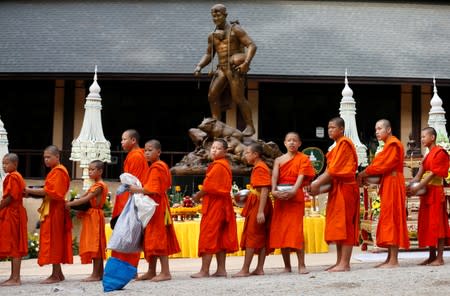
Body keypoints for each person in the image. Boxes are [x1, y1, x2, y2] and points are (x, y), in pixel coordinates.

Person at [194, 4, 257, 137]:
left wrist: (246, 63)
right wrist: (199, 66)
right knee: (212, 95)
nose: (216, 18)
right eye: (214, 16)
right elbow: (208, 54)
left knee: (238, 97)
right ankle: (216, 123)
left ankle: (250, 126)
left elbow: (251, 45)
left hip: (234, 68)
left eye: (219, 15)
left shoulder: (236, 30)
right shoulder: (212, 36)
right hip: (221, 68)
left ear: (225, 15)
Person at [357, 119, 410, 268]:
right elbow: (378, 166)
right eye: (376, 129)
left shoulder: (394, 144)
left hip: (393, 183)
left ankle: (394, 260)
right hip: (388, 182)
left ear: (389, 129)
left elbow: (381, 166)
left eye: (380, 128)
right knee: (387, 218)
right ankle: (389, 258)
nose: (377, 132)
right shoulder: (387, 146)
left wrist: (363, 174)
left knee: (393, 218)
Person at [309, 117, 359, 272]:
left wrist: (317, 183)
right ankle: (339, 261)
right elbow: (329, 171)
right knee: (338, 227)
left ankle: (345, 263)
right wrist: (319, 188)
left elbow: (334, 171)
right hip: (337, 189)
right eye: (328, 127)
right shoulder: (335, 148)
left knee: (347, 226)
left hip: (347, 189)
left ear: (341, 129)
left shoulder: (345, 144)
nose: (330, 130)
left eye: (333, 127)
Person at [128, 139, 180, 282]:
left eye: (150, 150)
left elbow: (152, 189)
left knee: (159, 238)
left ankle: (166, 272)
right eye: (146, 150)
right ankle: (151, 271)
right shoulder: (156, 167)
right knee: (151, 237)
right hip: (153, 206)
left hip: (158, 207)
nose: (147, 153)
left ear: (159, 152)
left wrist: (135, 189)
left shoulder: (158, 167)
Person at [191, 138, 238, 278]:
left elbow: (208, 186)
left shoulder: (219, 166)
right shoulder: (223, 165)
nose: (214, 150)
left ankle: (204, 270)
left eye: (218, 148)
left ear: (225, 151)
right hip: (223, 204)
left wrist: (197, 196)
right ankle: (221, 270)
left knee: (209, 235)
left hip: (216, 205)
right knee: (219, 236)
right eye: (213, 148)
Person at [25, 145, 72, 283]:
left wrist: (29, 190)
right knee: (52, 240)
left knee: (54, 240)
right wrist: (31, 192)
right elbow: (48, 190)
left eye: (48, 157)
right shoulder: (54, 171)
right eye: (44, 157)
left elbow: (51, 192)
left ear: (57, 157)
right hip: (52, 208)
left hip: (56, 210)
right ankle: (59, 273)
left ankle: (55, 275)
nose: (46, 160)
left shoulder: (59, 171)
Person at [270, 132, 315, 274]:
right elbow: (275, 176)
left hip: (295, 197)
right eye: (289, 140)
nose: (292, 143)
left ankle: (302, 265)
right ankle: (287, 266)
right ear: (284, 143)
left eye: (295, 140)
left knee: (296, 231)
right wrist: (273, 191)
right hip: (281, 198)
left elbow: (301, 176)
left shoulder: (303, 158)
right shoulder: (278, 160)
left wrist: (294, 191)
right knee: (282, 231)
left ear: (300, 143)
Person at [408, 127, 450, 266]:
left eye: (424, 136)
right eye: (421, 137)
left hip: (436, 192)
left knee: (438, 224)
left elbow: (433, 174)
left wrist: (419, 187)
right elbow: (419, 175)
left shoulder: (440, 153)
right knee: (428, 224)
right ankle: (431, 256)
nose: (421, 139)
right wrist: (407, 186)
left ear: (432, 137)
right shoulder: (427, 155)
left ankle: (440, 257)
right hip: (427, 193)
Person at [233, 143, 273, 277]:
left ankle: (245, 269)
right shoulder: (259, 167)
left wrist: (261, 211)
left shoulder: (260, 168)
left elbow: (265, 189)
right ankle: (259, 268)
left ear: (255, 155)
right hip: (260, 203)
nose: (245, 155)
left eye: (247, 153)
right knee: (261, 235)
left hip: (259, 204)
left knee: (252, 235)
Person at [111, 129, 148, 268]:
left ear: (133, 140)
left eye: (124, 139)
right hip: (132, 197)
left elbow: (133, 183)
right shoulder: (137, 155)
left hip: (130, 199)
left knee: (127, 234)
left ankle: (126, 268)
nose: (121, 142)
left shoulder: (136, 156)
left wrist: (125, 204)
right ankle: (128, 268)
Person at [66, 160, 107, 281]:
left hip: (95, 216)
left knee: (95, 245)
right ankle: (100, 273)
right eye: (88, 169)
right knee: (95, 244)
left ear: (100, 171)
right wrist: (72, 204)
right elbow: (83, 198)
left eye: (92, 169)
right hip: (91, 215)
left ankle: (95, 274)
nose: (89, 172)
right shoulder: (95, 185)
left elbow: (85, 199)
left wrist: (69, 204)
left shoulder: (99, 186)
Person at [0, 153, 27, 286]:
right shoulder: (15, 176)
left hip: (13, 213)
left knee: (15, 246)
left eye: (6, 163)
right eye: (3, 163)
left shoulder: (13, 177)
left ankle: (16, 278)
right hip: (14, 212)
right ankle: (13, 277)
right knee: (13, 245)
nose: (4, 166)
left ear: (15, 164)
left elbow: (10, 197)